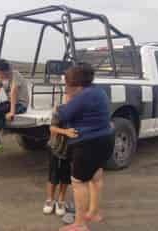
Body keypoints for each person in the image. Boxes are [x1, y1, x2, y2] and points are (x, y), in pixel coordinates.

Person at [58, 63, 115, 231]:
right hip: (105, 139)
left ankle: (80, 224)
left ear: (76, 83)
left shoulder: (83, 95)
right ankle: (94, 212)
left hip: (88, 143)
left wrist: (66, 97)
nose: (66, 85)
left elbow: (64, 114)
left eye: (67, 82)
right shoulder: (98, 91)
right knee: (95, 177)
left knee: (78, 182)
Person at [43, 86, 79, 217]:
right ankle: (49, 200)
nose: (69, 98)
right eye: (68, 95)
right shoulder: (59, 109)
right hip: (55, 148)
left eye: (73, 96)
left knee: (65, 177)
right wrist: (66, 132)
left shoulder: (79, 112)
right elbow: (52, 128)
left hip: (70, 150)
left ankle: (61, 201)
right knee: (53, 176)